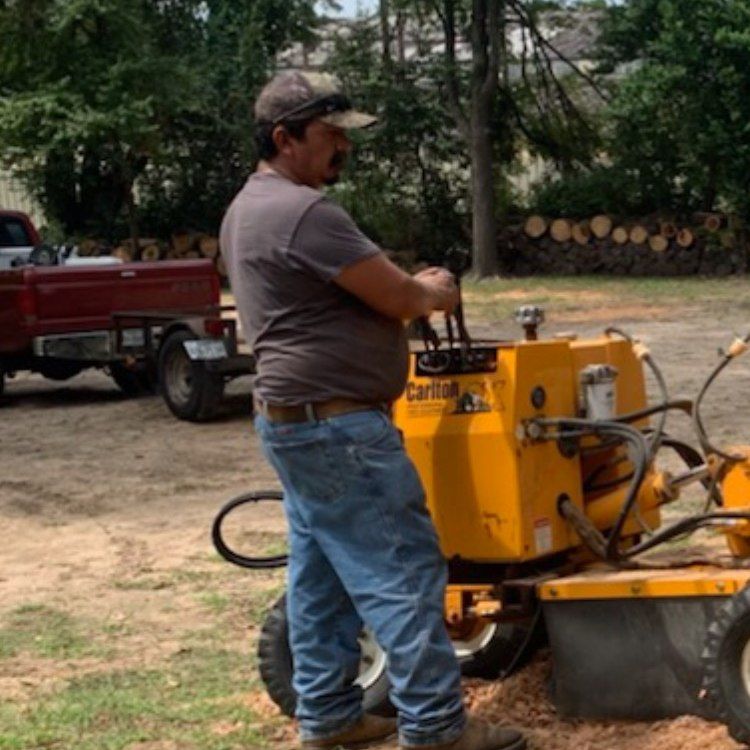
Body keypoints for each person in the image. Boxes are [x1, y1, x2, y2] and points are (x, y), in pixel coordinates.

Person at [220, 70, 525, 750]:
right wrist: (438, 289)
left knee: (321, 578)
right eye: (330, 136)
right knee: (404, 572)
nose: (343, 149)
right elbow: (400, 298)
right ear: (284, 138)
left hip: (294, 424)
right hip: (340, 430)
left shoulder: (245, 208)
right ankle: (437, 728)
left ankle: (329, 717)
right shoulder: (304, 212)